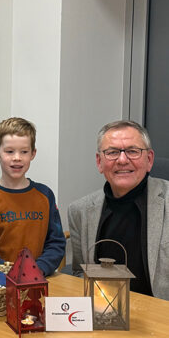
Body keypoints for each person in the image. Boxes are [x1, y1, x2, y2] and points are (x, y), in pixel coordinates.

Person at [69, 120, 169, 299]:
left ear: (149, 159)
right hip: (103, 314)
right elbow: (79, 273)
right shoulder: (79, 211)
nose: (122, 160)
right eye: (112, 152)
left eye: (132, 151)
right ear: (99, 162)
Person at [0, 117, 66, 276]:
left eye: (24, 152)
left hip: (39, 279)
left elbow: (56, 243)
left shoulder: (45, 195)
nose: (17, 158)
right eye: (9, 151)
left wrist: (37, 269)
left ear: (33, 154)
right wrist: (4, 268)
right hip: (0, 281)